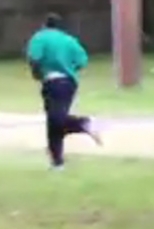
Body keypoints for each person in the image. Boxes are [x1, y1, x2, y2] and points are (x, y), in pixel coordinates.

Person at [26, 13, 101, 169]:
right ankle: (57, 162)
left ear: (44, 25)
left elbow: (34, 58)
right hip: (68, 82)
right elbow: (82, 60)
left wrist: (37, 73)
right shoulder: (69, 40)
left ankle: (83, 124)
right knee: (55, 120)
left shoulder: (40, 38)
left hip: (51, 82)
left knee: (55, 119)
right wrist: (70, 69)